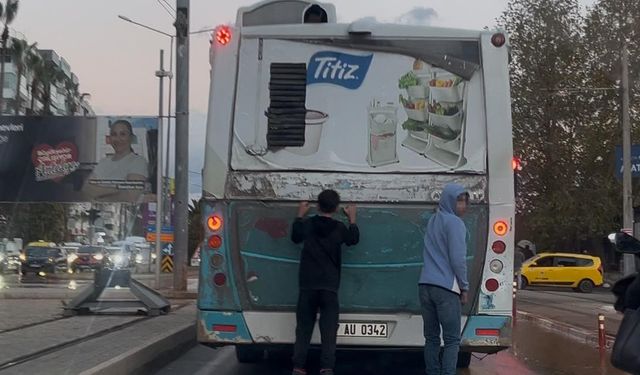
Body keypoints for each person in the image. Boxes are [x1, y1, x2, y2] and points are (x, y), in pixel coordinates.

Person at [290, 189, 359, 375]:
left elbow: (295, 236)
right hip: (329, 286)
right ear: (336, 208)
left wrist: (299, 215)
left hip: (308, 284)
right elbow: (353, 239)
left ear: (318, 206)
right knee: (329, 331)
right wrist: (352, 218)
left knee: (304, 328)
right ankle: (327, 367)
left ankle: (298, 366)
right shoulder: (339, 228)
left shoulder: (309, 225)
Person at [419, 183, 470, 375]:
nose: (463, 205)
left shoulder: (434, 220)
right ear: (450, 201)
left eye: (465, 201)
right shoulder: (455, 223)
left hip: (424, 286)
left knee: (431, 338)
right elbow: (458, 260)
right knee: (451, 340)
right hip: (445, 288)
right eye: (459, 200)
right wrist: (464, 287)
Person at [86, 120, 150, 201]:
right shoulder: (103, 162)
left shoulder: (138, 161)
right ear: (110, 138)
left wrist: (98, 194)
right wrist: (118, 189)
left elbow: (130, 197)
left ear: (130, 138)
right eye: (114, 134)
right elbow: (86, 189)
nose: (118, 139)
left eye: (123, 134)